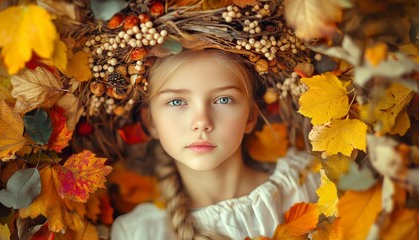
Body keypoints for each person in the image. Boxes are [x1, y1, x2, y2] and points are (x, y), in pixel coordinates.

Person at [110, 49, 320, 240]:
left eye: (223, 100)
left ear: (250, 116)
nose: (202, 122)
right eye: (176, 102)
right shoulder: (138, 233)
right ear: (151, 122)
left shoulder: (307, 184)